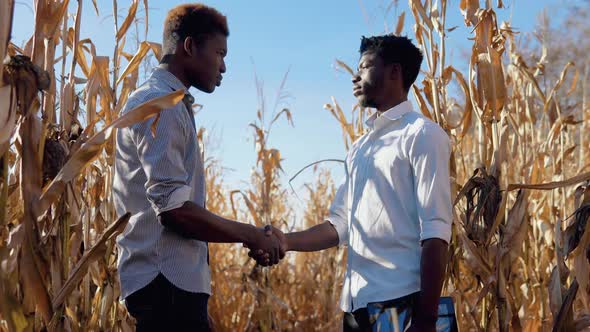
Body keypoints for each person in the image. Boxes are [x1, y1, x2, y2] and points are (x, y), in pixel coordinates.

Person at [251, 34, 453, 332]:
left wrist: (426, 319)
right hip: (356, 306)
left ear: (395, 72)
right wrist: (286, 241)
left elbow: (436, 231)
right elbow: (340, 225)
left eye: (365, 66)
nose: (355, 77)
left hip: (402, 303)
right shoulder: (360, 147)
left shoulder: (423, 134)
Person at [113, 4, 282, 331]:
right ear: (189, 47)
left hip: (171, 288)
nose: (224, 66)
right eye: (219, 53)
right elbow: (174, 211)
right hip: (164, 285)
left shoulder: (165, 103)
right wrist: (251, 235)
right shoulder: (162, 106)